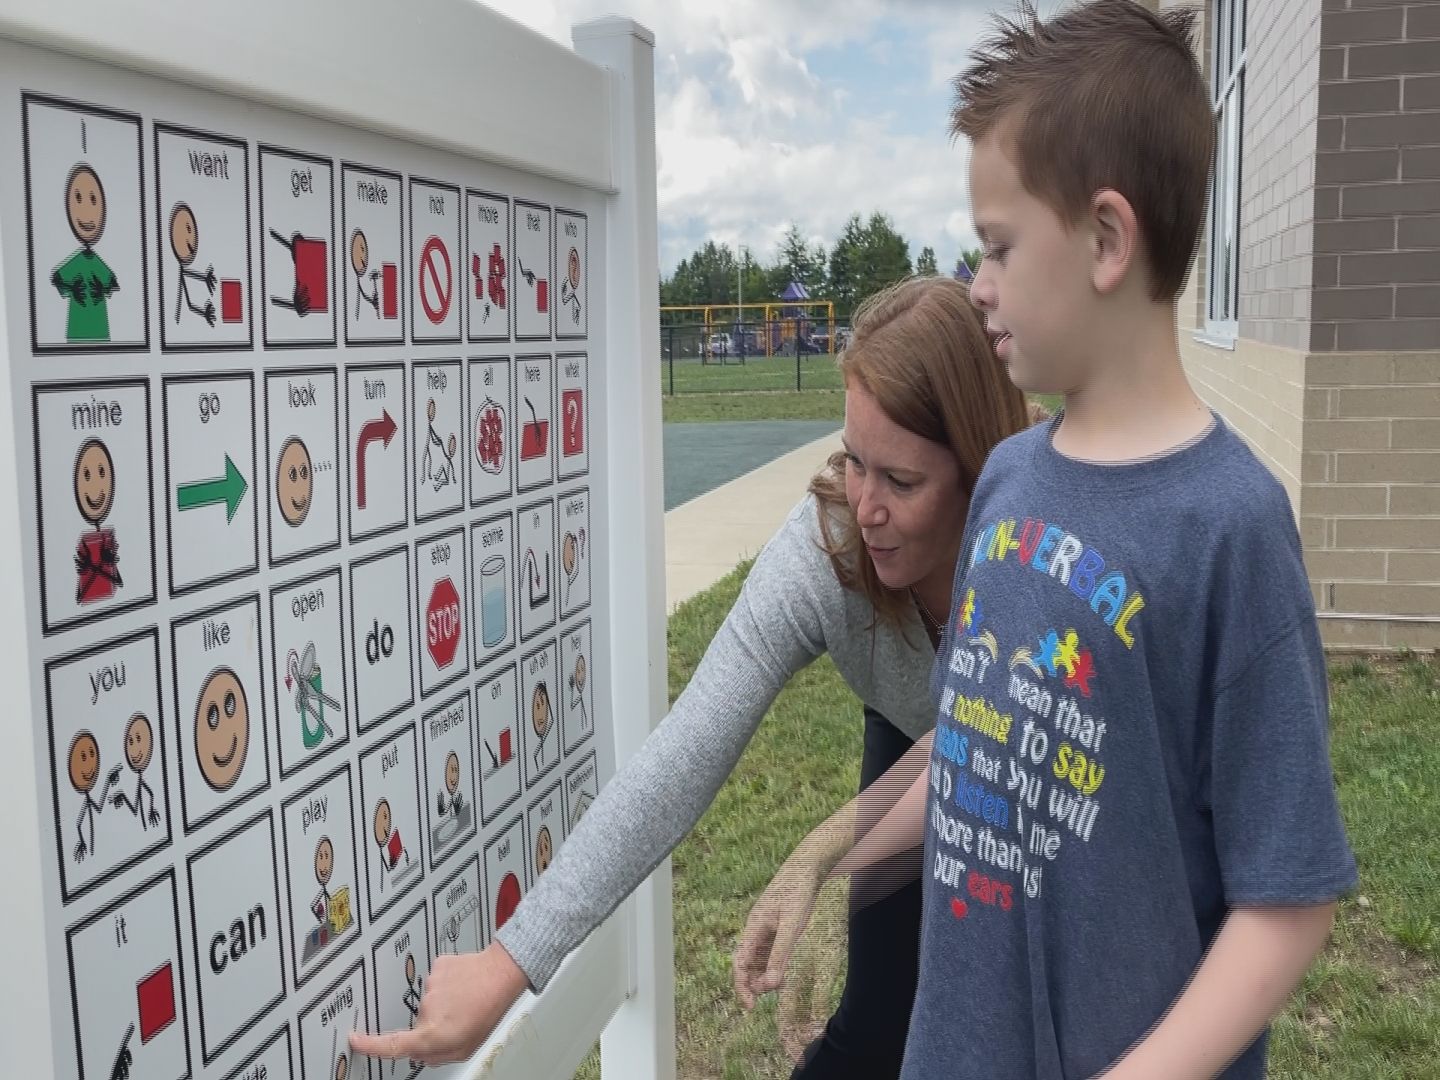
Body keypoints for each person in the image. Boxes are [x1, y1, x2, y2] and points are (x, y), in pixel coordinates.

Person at [746, 3, 1360, 1078]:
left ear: (1107, 240)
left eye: (998, 246)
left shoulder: (1233, 529)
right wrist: (830, 862)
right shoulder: (1012, 479)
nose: (976, 280)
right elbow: (984, 742)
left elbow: (1289, 900)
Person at [350, 274, 1043, 1075]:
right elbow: (683, 752)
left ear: (980, 471)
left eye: (903, 482)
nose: (866, 508)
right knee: (875, 1018)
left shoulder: (1039, 546)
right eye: (855, 461)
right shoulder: (824, 551)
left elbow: (983, 747)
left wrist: (820, 851)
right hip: (911, 725)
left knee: (1000, 1011)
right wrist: (509, 964)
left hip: (1025, 761)